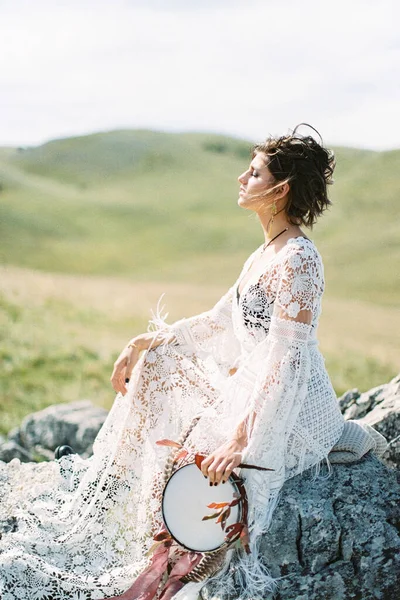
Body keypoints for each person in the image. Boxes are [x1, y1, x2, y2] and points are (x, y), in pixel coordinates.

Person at [0, 124, 383, 600]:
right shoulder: (265, 252)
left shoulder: (300, 259)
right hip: (252, 391)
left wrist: (241, 439)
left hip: (291, 411)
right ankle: (131, 511)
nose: (242, 178)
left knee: (205, 478)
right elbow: (220, 320)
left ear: (280, 190)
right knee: (161, 368)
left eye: (255, 172)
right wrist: (145, 342)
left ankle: (173, 568)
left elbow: (288, 359)